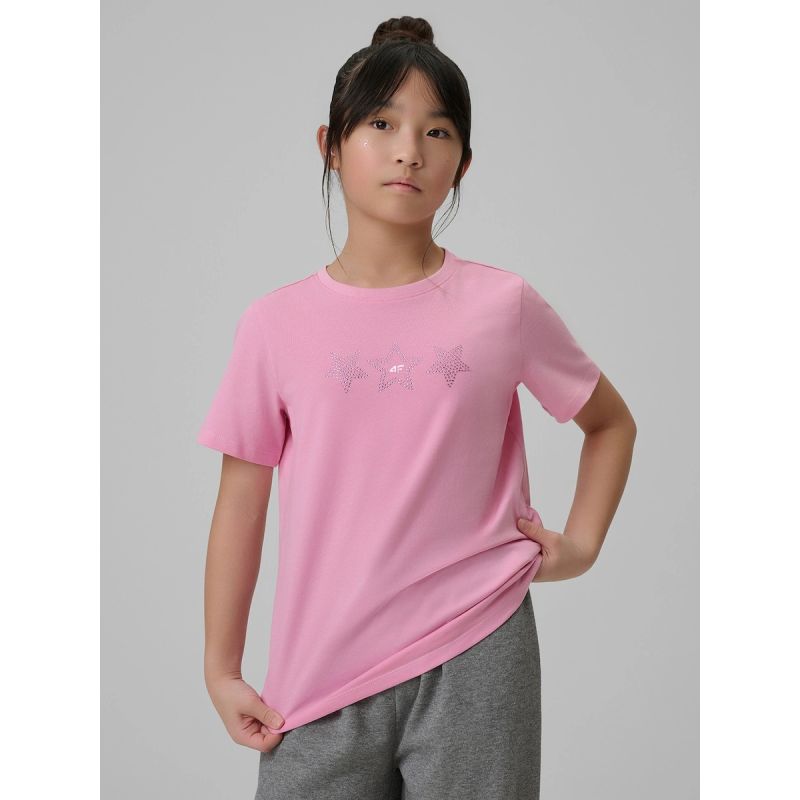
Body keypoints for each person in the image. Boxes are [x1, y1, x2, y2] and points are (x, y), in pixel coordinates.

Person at [197, 15, 636, 800]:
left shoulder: (502, 305)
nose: (409, 151)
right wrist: (222, 669)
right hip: (320, 676)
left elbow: (609, 422)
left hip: (478, 650)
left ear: (462, 163)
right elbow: (241, 501)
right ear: (331, 145)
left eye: (437, 132)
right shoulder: (274, 325)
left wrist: (583, 545)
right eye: (381, 124)